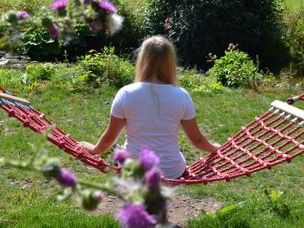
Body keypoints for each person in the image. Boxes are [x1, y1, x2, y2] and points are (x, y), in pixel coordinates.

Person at [79, 35, 219, 179]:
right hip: (171, 172)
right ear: (170, 63)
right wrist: (215, 149)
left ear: (142, 60)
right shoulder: (182, 96)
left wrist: (93, 150)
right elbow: (197, 140)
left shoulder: (126, 93)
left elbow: (109, 139)